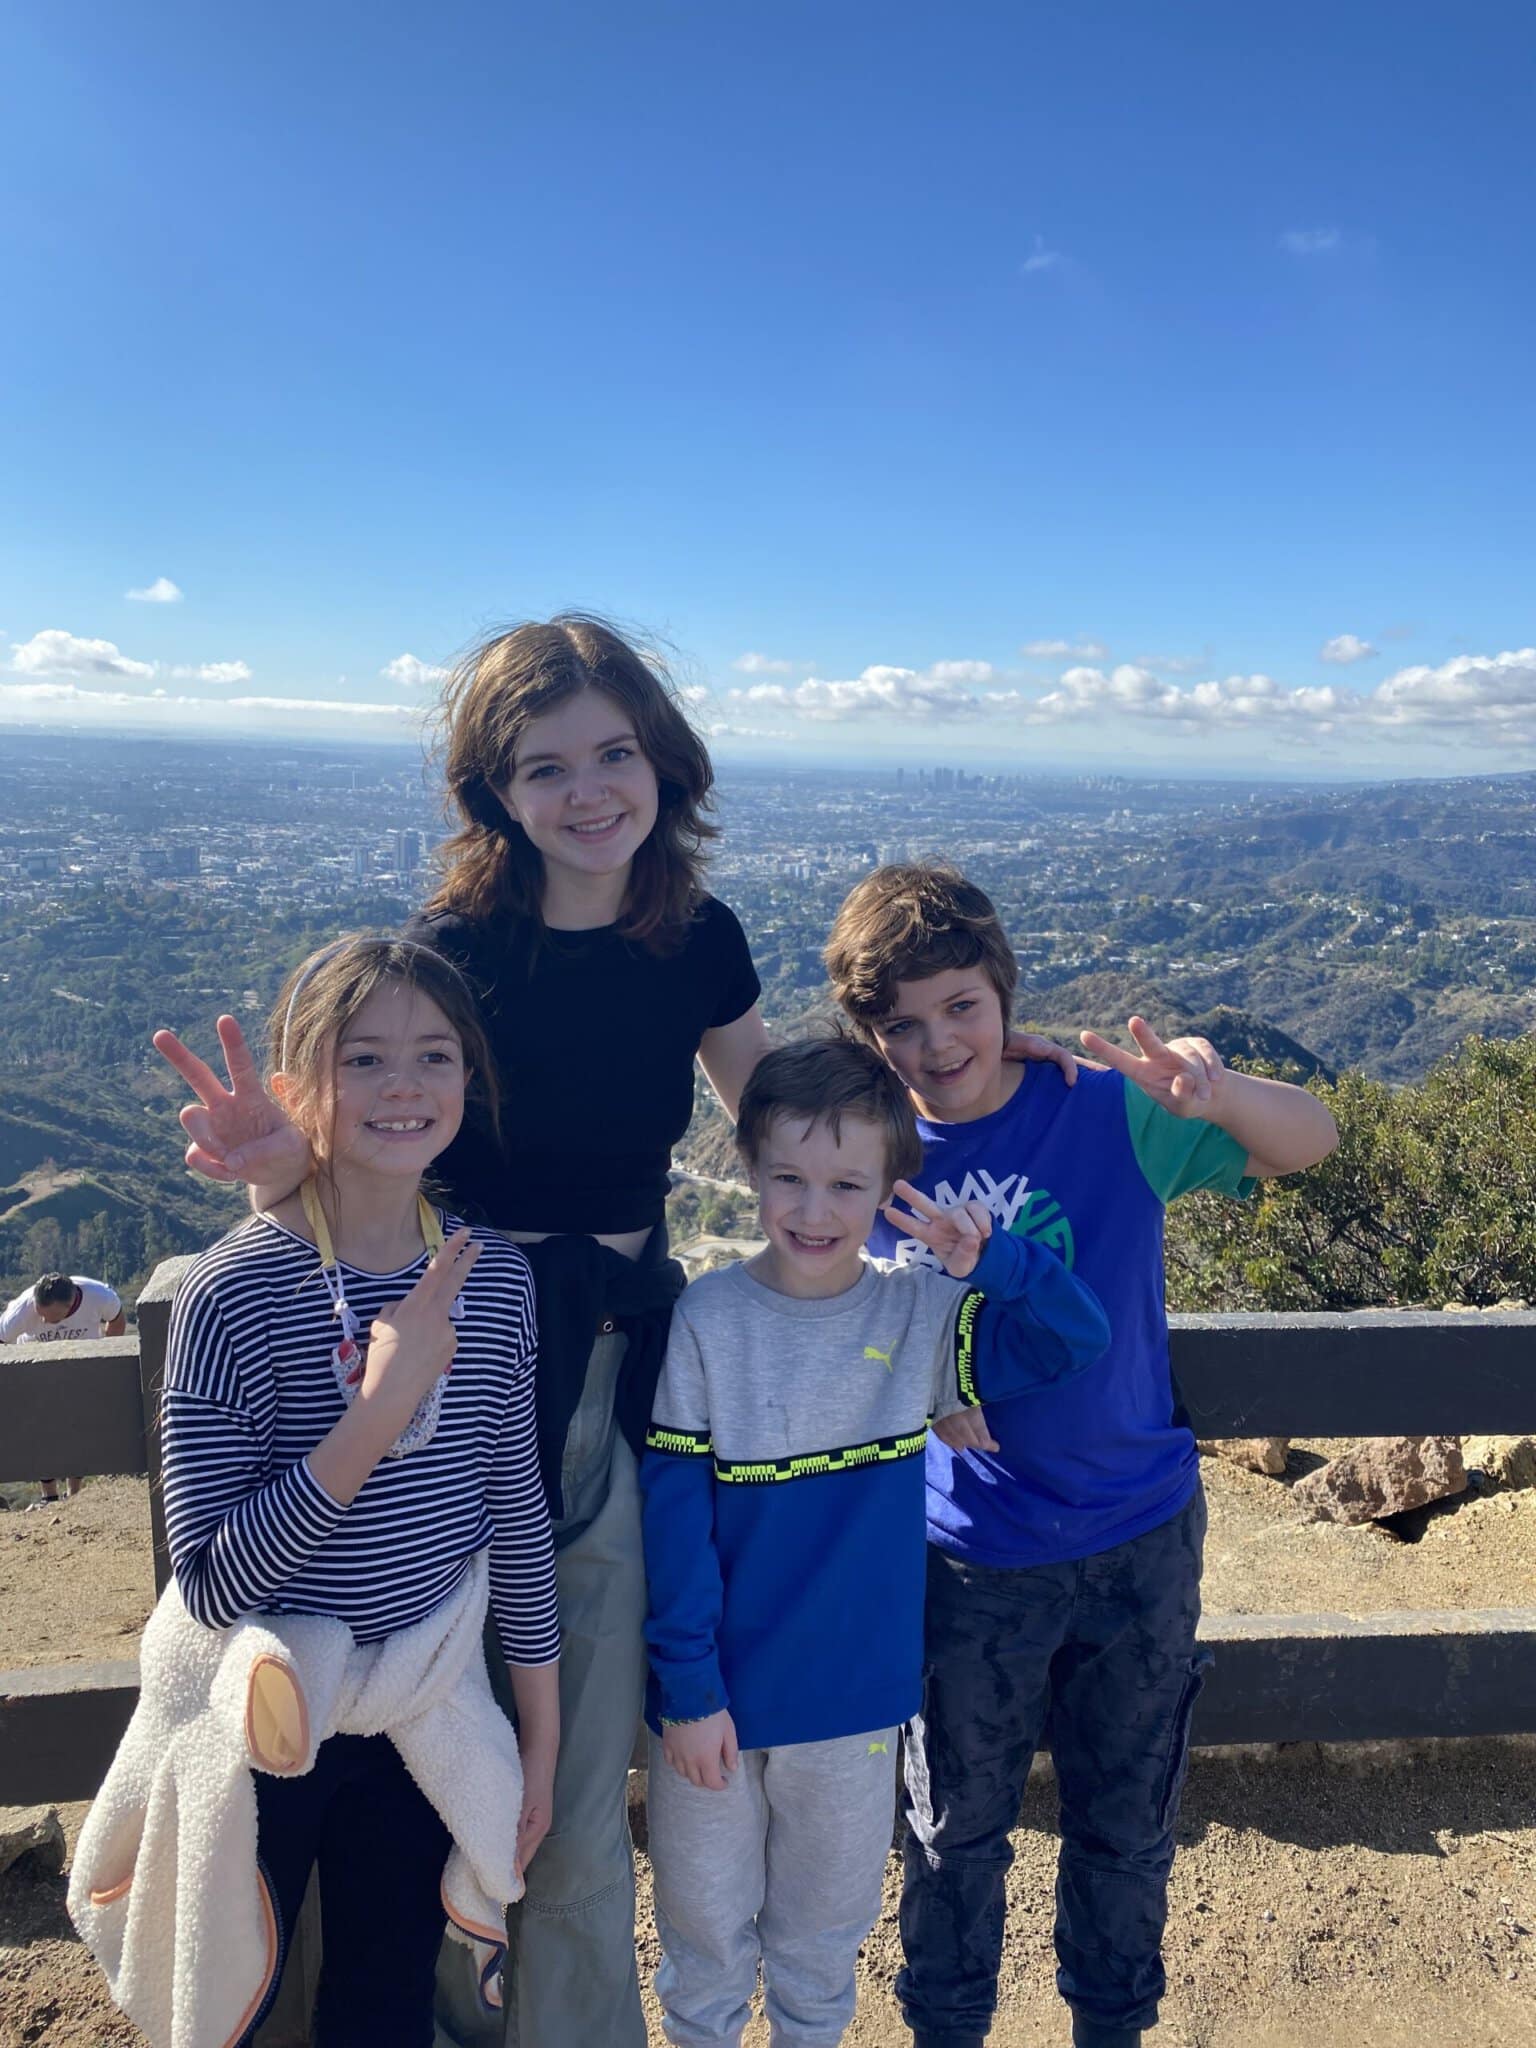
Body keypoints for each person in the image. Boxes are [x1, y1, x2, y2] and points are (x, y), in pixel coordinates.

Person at [153, 617, 772, 2048]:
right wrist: (277, 1169)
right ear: (493, 790)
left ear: (664, 762)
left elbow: (780, 1116)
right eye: (542, 765)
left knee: (565, 1749)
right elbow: (383, 1146)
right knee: (419, 1753)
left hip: (605, 1359)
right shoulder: (453, 952)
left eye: (616, 752)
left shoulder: (696, 940)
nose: (589, 790)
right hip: (449, 1353)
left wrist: (977, 1105)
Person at [824, 865, 1340, 2048]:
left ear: (1002, 990)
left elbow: (1308, 1142)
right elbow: (824, 1312)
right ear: (867, 1035)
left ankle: (1113, 2025)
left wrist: (1214, 1093)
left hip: (1136, 1536)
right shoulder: (870, 1151)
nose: (937, 1039)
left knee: (1126, 1822)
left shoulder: (1105, 1110)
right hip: (970, 1554)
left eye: (961, 1003)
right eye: (900, 1021)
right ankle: (944, 2027)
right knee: (953, 1830)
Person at [640, 1038, 1110, 2048]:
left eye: (847, 1183)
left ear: (893, 1185)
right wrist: (687, 1688)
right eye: (789, 1179)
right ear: (751, 1170)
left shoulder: (919, 1315)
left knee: (818, 1950)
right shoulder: (709, 1318)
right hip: (711, 1706)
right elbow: (673, 1516)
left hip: (853, 1708)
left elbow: (1076, 1336)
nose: (814, 1209)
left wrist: (997, 1258)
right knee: (705, 1949)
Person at [144, 935, 559, 2047]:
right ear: (298, 1090)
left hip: (417, 1708)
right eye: (364, 1058)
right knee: (232, 1996)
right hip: (265, 1714)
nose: (406, 1084)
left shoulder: (496, 1277)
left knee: (383, 1994)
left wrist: (543, 1739)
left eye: (434, 1054)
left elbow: (515, 1518)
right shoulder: (234, 1291)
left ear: (470, 1077)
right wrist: (373, 1416)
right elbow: (216, 1580)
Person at [0, 1271, 127, 1504]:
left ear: (70, 1305)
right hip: (35, 1368)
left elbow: (117, 1318)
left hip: (81, 1365)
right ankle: (49, 1496)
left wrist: (108, 1355)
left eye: (54, 1318)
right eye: (41, 1315)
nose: (46, 1322)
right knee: (41, 1429)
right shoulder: (21, 1310)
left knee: (78, 1425)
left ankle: (74, 1493)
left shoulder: (99, 1296)